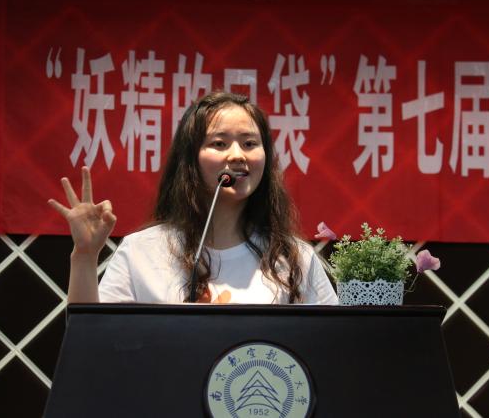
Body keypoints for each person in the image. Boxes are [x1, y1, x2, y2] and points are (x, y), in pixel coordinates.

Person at [49, 91, 338, 305]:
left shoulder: (296, 258)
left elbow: (328, 346)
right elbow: (93, 341)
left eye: (250, 143)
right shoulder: (140, 252)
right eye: (219, 143)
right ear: (190, 159)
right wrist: (85, 256)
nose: (237, 155)